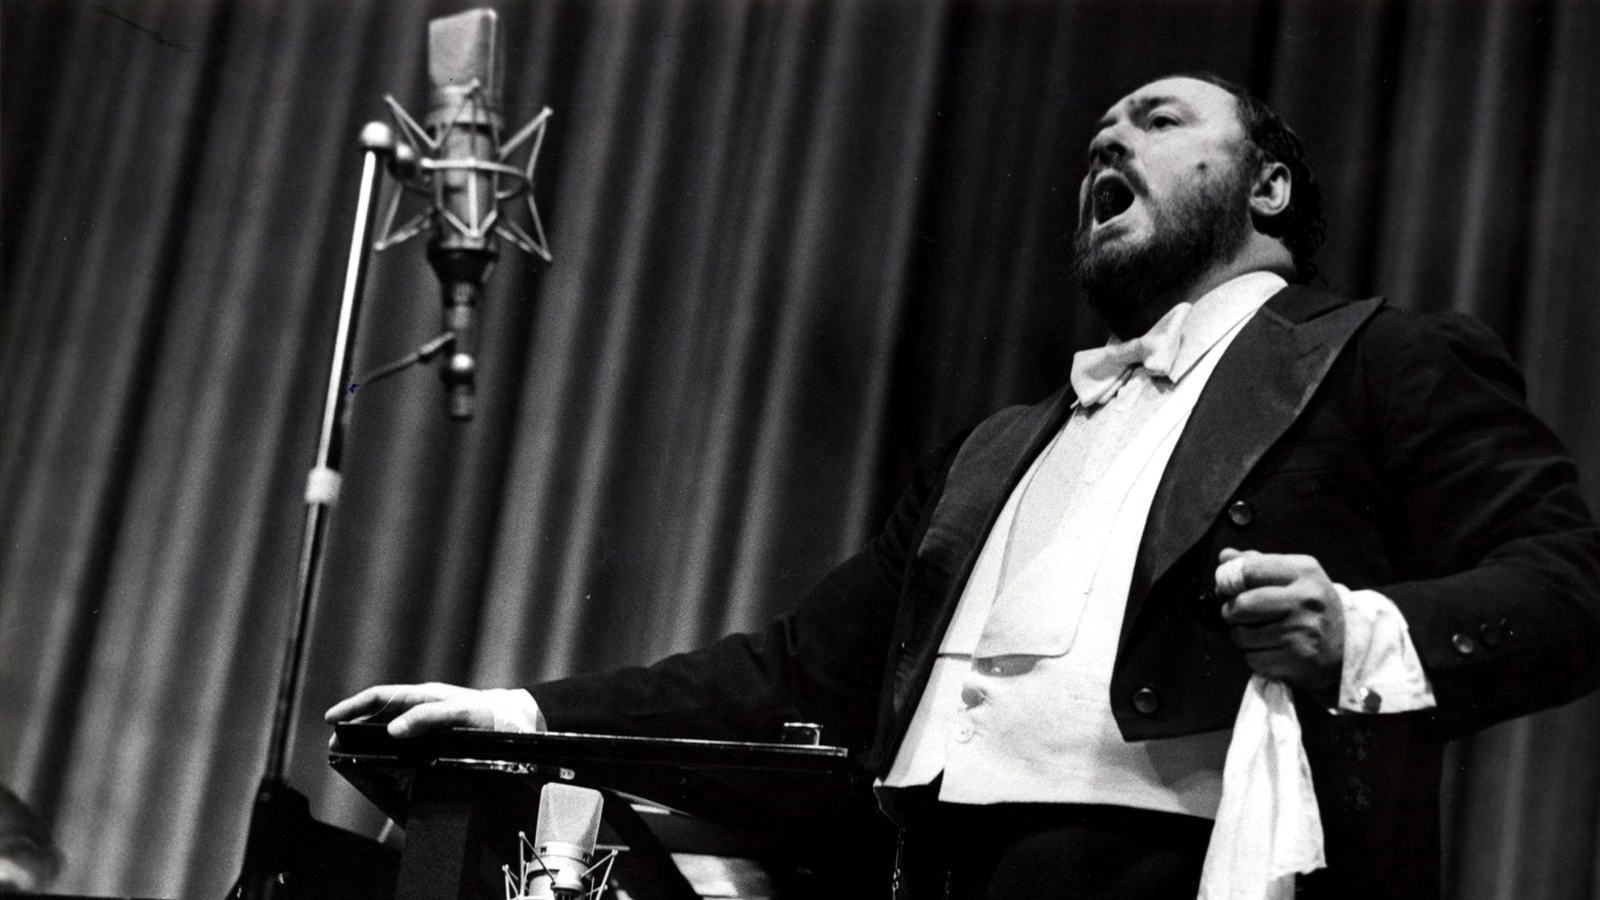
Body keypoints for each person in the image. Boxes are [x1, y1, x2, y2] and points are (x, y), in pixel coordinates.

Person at [328, 74, 1600, 899]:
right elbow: (797, 670)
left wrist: (1356, 633)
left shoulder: (1381, 358)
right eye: (1096, 138)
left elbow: (1567, 588)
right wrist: (516, 713)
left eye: (1158, 122)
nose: (1107, 141)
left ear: (1266, 187)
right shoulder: (998, 446)